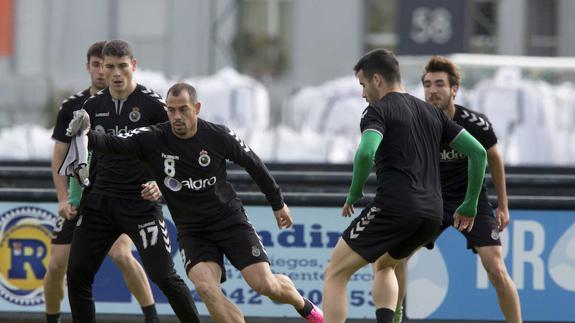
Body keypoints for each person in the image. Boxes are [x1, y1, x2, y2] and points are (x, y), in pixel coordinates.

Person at [66, 82, 324, 323]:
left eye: (183, 110)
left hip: (229, 222)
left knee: (265, 285)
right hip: (193, 231)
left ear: (197, 108)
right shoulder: (154, 137)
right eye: (171, 110)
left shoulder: (217, 135)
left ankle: (303, 305)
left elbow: (254, 165)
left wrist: (278, 203)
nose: (176, 116)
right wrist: (85, 132)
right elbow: (112, 142)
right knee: (206, 288)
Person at [321, 49, 488, 323]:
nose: (363, 94)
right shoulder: (432, 113)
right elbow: (478, 153)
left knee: (335, 273)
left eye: (363, 85)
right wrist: (469, 204)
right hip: (432, 214)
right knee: (385, 264)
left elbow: (365, 153)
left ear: (377, 80)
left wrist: (355, 191)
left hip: (394, 208)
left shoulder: (377, 111)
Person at [64, 40, 200, 323]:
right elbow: (81, 156)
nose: (115, 73)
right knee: (77, 275)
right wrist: (75, 197)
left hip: (140, 205)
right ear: (101, 67)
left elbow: (180, 148)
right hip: (99, 204)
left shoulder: (153, 105)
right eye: (109, 66)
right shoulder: (92, 105)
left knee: (164, 275)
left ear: (133, 66)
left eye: (122, 66)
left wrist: (161, 184)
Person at [393, 56, 522, 323]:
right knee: (396, 257)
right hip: (433, 201)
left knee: (495, 269)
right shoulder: (415, 123)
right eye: (427, 84)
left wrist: (503, 205)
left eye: (439, 84)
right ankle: (395, 317)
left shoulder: (475, 122)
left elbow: (494, 158)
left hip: (472, 201)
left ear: (454, 89)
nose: (432, 90)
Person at [47, 41, 159, 323]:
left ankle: (151, 316)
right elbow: (61, 155)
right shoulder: (74, 106)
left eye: (108, 65)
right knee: (57, 264)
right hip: (80, 195)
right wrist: (64, 199)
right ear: (89, 67)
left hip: (114, 196)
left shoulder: (141, 103)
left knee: (121, 254)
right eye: (97, 65)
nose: (103, 71)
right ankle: (51, 319)